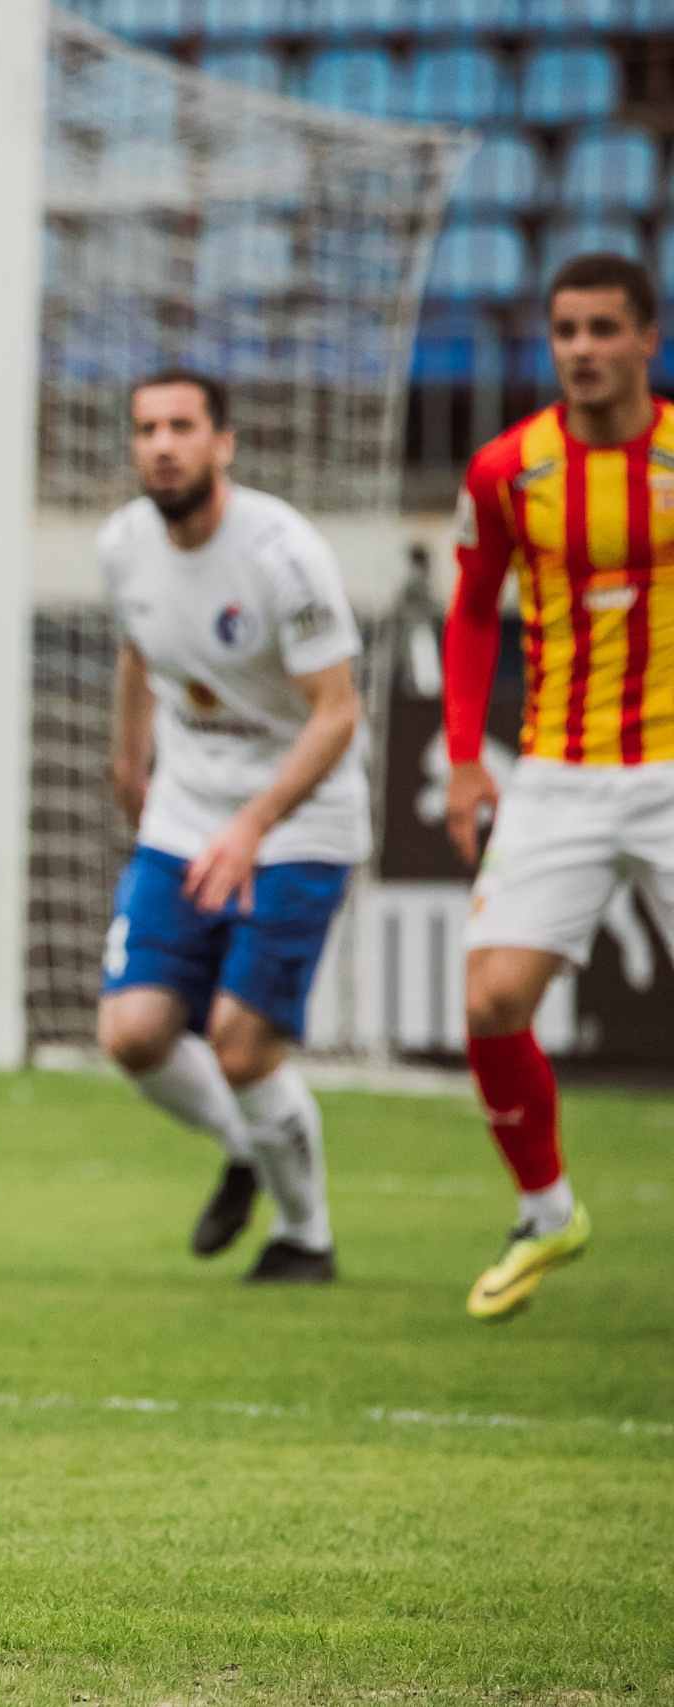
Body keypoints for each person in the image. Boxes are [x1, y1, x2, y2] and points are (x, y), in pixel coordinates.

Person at [93, 371, 368, 1284]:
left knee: (242, 1042)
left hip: (299, 819)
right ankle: (248, 1149)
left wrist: (254, 824)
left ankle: (306, 1237)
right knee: (133, 1032)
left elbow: (338, 712)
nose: (162, 445)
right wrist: (131, 762)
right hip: (186, 811)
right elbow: (137, 651)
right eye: (146, 429)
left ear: (224, 442)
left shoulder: (283, 554)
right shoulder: (123, 545)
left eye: (182, 426)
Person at [444, 252, 674, 1321]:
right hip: (558, 772)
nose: (581, 349)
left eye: (602, 328)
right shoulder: (507, 469)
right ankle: (546, 1213)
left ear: (647, 339)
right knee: (490, 1001)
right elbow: (471, 608)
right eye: (565, 330)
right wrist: (463, 756)